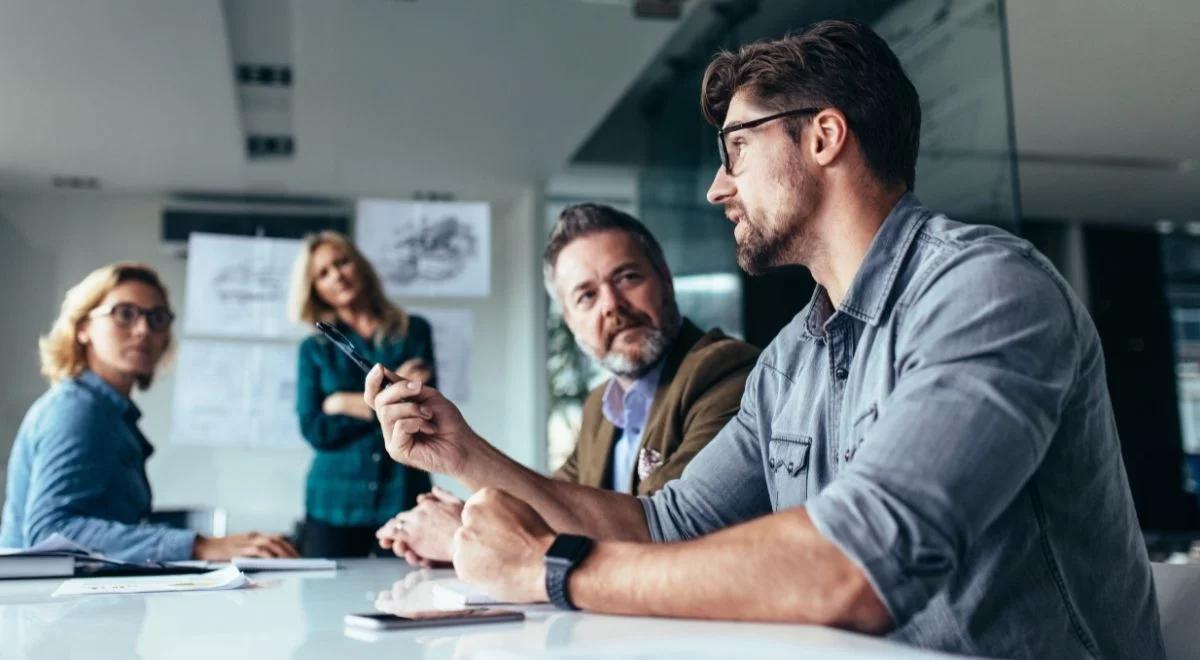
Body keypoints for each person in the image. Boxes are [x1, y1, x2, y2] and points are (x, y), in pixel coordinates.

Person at [363, 19, 1164, 659]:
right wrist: (461, 453)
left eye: (737, 148)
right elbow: (663, 525)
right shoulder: (792, 358)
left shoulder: (987, 289)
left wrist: (550, 570)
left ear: (823, 137)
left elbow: (855, 566)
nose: (718, 185)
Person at [375, 204, 759, 565]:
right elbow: (552, 507)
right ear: (570, 321)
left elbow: (661, 534)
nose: (611, 304)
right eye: (586, 296)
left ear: (665, 280)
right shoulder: (601, 406)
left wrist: (463, 533)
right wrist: (470, 516)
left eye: (627, 277)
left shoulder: (725, 372)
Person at [0, 262, 297, 562]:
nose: (143, 330)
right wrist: (198, 545)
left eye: (157, 318)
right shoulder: (77, 409)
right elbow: (50, 532)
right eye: (124, 314)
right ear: (83, 328)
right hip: (46, 606)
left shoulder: (110, 413)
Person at [289, 231, 435, 557]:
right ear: (315, 290)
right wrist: (385, 404)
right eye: (323, 273)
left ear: (360, 266)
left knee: (407, 595)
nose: (337, 275)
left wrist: (341, 402)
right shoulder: (314, 350)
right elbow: (315, 429)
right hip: (333, 503)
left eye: (342, 262)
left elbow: (421, 413)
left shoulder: (414, 332)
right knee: (325, 603)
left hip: (402, 495)